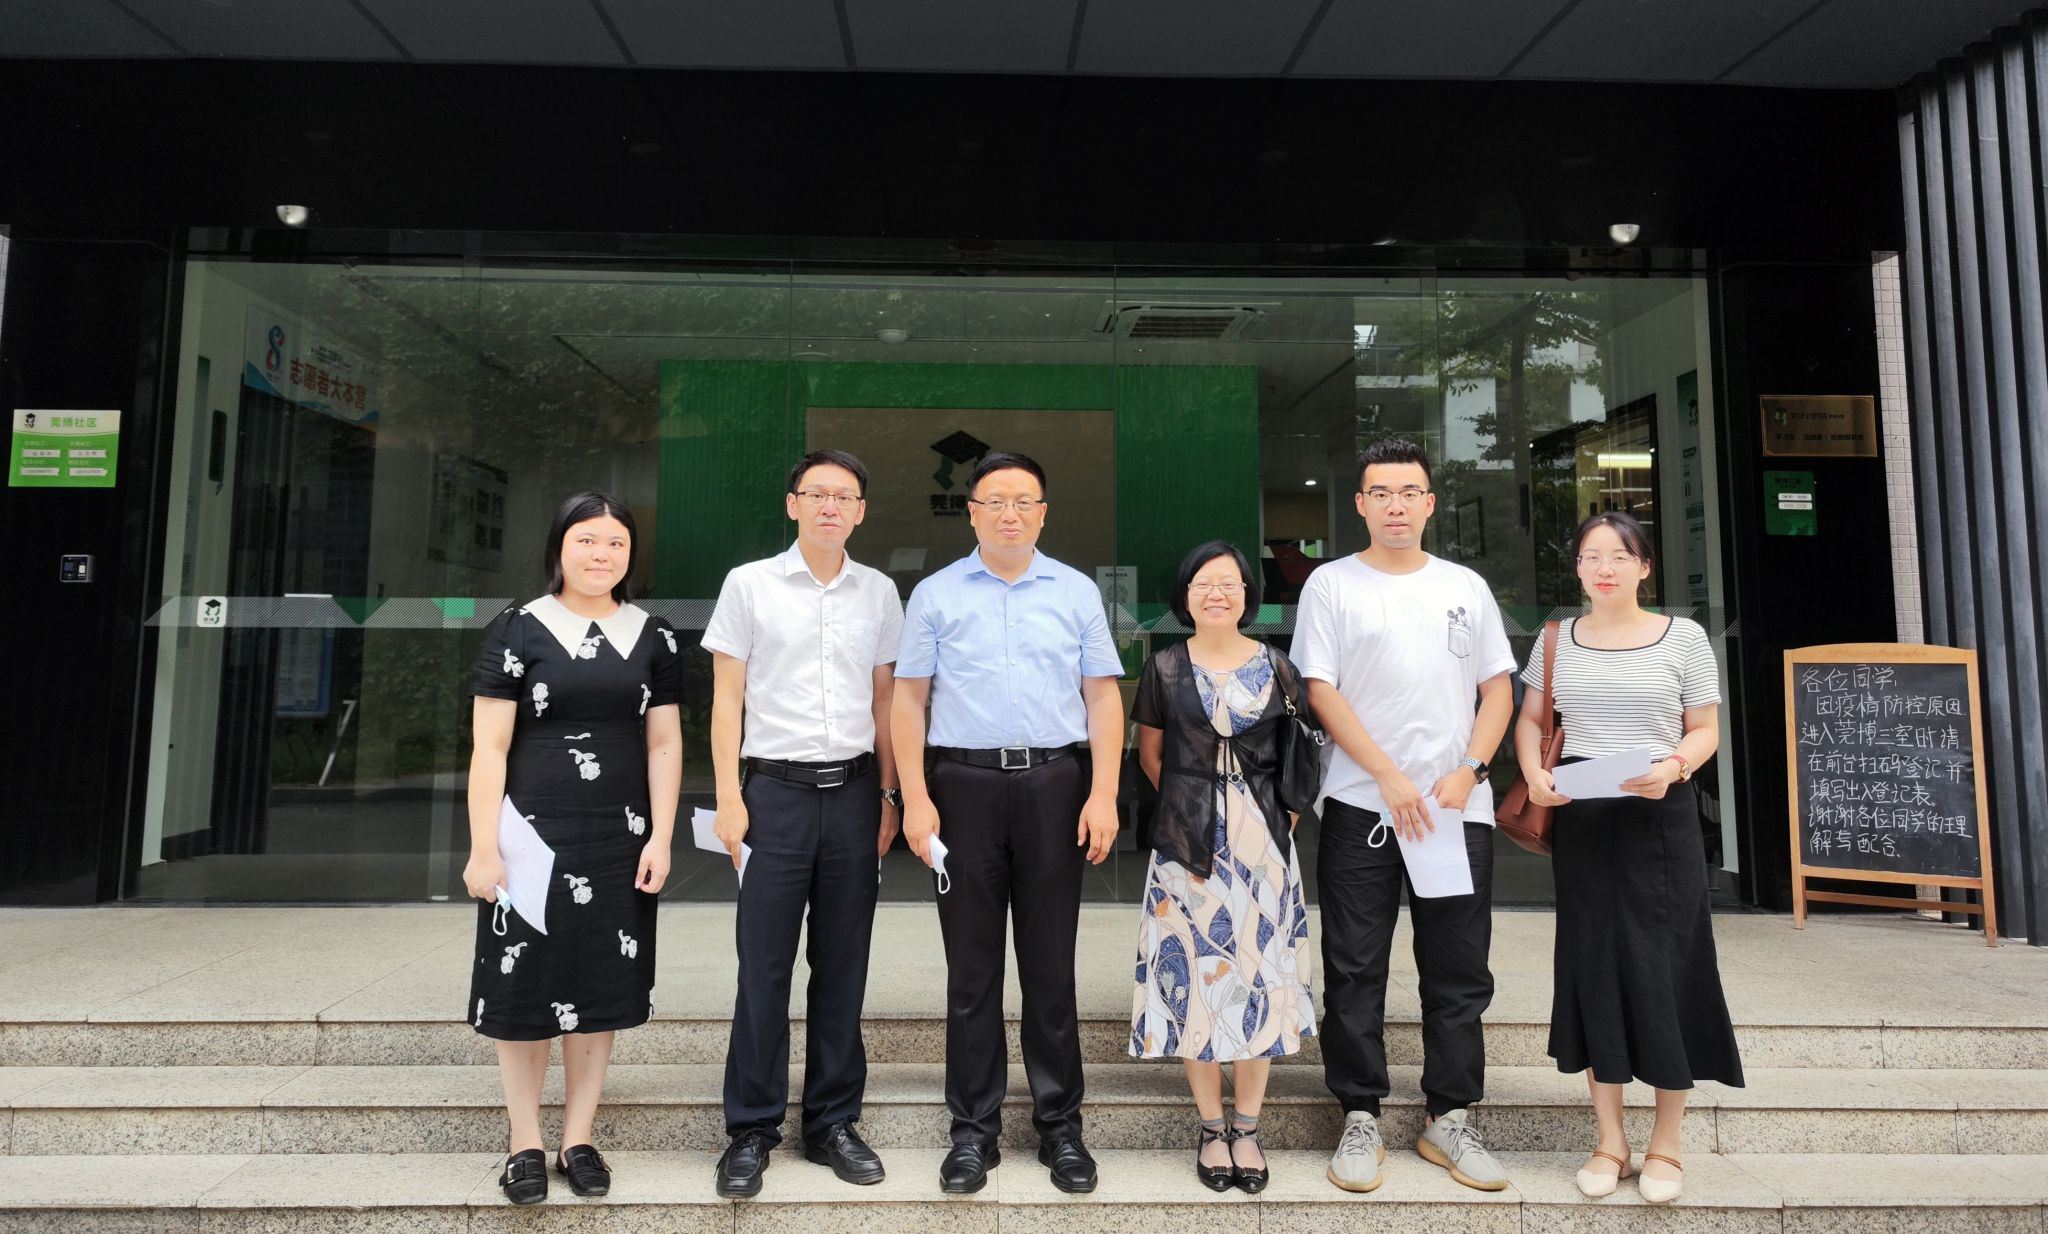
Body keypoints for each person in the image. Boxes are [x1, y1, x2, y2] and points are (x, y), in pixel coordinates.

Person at [891, 451, 1124, 1196]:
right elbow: (907, 700)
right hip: (960, 788)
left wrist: (1104, 793)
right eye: (995, 501)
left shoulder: (1076, 591)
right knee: (971, 971)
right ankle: (973, 1132)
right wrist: (915, 798)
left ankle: (1061, 1129)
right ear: (973, 513)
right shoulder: (935, 594)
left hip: (1055, 783)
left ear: (1043, 513)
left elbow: (1103, 697)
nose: (1010, 514)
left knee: (1051, 967)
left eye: (1024, 501)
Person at [1294, 438, 1516, 1194]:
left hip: (1455, 808)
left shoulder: (1465, 586)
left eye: (1409, 492)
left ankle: (1448, 1116)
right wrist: (1386, 774)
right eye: (1381, 493)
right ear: (1360, 504)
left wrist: (1471, 769)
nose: (1396, 505)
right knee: (1354, 965)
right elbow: (1320, 689)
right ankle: (1360, 1113)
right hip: (1363, 804)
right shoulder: (1332, 584)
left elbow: (1498, 690)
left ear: (1429, 503)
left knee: (1458, 967)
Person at [462, 491, 683, 1205]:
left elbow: (664, 742)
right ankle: (524, 1142)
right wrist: (483, 848)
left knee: (599, 981)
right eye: (587, 540)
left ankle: (578, 1138)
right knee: (524, 985)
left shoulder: (653, 635)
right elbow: (489, 749)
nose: (601, 554)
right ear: (559, 546)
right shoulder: (517, 628)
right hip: (529, 838)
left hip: (618, 839)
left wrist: (661, 836)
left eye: (616, 542)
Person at [1514, 510, 1742, 1204]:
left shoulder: (1684, 638)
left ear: (1645, 566)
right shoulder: (1556, 639)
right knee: (1595, 965)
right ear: (1578, 569)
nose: (1604, 568)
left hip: (1660, 816)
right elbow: (1531, 719)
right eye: (1591, 556)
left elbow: (1705, 729)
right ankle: (1609, 1139)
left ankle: (1666, 1142)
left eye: (1619, 555)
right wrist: (1534, 775)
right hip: (1584, 817)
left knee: (1669, 967)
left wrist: (1673, 767)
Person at [702, 449, 906, 1197]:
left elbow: (885, 702)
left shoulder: (879, 592)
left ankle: (832, 1123)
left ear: (860, 512)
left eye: (844, 496)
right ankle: (751, 1129)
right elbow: (727, 698)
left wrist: (889, 796)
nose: (829, 506)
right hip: (772, 797)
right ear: (792, 504)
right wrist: (729, 797)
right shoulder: (749, 584)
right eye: (816, 493)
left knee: (843, 963)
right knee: (763, 966)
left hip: (854, 794)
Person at [1129, 540, 1316, 1194]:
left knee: (1260, 976)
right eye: (1203, 583)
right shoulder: (1164, 668)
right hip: (1186, 848)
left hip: (1263, 847)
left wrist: (1272, 821)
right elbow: (1151, 755)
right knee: (1192, 979)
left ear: (1246, 595)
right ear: (1186, 596)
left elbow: (1297, 755)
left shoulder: (1278, 666)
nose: (1217, 593)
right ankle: (1212, 1127)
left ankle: (1248, 1126)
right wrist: (1194, 807)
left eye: (1229, 583)